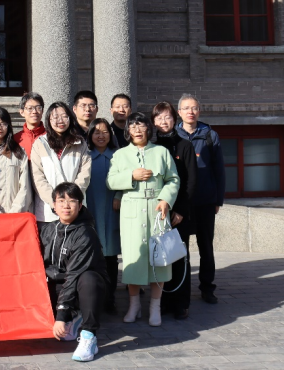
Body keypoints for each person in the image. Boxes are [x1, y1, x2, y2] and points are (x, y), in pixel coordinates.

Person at [107, 112, 180, 327]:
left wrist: (166, 199)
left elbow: (173, 179)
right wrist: (131, 176)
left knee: (160, 259)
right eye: (133, 126)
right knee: (132, 259)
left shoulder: (161, 152)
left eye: (141, 126)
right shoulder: (120, 154)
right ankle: (134, 304)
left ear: (148, 128)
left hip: (157, 210)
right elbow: (110, 181)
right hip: (132, 208)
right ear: (127, 130)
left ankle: (155, 306)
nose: (137, 130)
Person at [38, 183, 108, 363]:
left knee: (88, 278)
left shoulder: (85, 234)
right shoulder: (47, 229)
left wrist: (61, 316)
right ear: (53, 205)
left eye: (72, 201)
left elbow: (73, 276)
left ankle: (88, 335)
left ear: (81, 204)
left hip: (82, 287)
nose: (66, 206)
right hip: (60, 287)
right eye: (61, 201)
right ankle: (73, 315)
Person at [176, 94, 225, 305]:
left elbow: (219, 170)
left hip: (205, 200)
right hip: (182, 202)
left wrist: (218, 200)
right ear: (179, 112)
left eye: (194, 108)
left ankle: (207, 287)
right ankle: (181, 287)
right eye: (186, 108)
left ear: (199, 111)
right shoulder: (173, 135)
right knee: (181, 247)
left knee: (206, 246)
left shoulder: (209, 135)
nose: (190, 111)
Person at [152, 101, 197, 320]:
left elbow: (190, 183)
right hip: (156, 214)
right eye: (159, 118)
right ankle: (161, 302)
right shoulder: (150, 147)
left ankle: (181, 303)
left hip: (178, 214)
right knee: (159, 258)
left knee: (179, 257)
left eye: (167, 117)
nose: (163, 122)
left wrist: (180, 210)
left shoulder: (184, 146)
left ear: (175, 119)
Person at [30, 102, 92, 222]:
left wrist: (71, 200)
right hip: (48, 210)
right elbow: (38, 178)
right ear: (48, 119)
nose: (60, 120)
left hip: (74, 209)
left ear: (70, 118)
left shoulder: (80, 144)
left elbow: (85, 174)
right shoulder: (40, 144)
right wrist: (55, 202)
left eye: (64, 116)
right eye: (55, 117)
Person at [84, 119, 121, 315]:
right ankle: (94, 298)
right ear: (90, 135)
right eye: (96, 132)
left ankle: (110, 298)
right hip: (91, 211)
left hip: (113, 212)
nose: (100, 135)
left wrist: (118, 196)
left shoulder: (118, 156)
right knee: (93, 257)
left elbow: (126, 180)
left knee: (111, 258)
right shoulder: (85, 157)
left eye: (105, 131)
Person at [14, 92, 46, 158]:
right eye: (30, 108)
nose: (34, 111)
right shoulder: (15, 139)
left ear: (42, 111)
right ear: (22, 112)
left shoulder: (50, 136)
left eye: (38, 108)